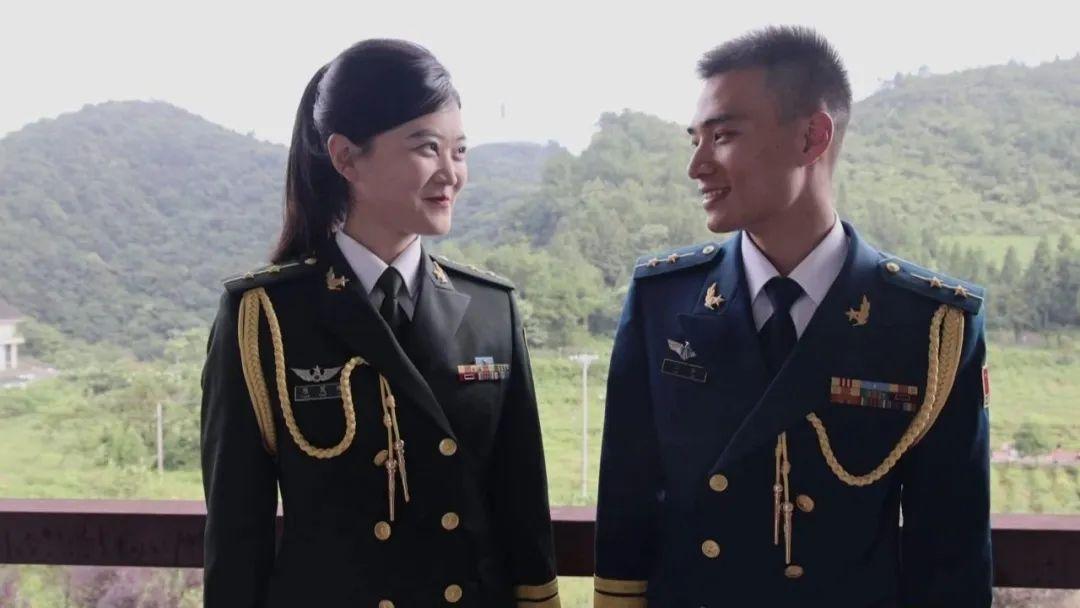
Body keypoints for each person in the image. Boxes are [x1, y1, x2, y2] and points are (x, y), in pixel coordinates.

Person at [593, 26, 991, 607]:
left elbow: (950, 552)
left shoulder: (928, 325)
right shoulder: (664, 300)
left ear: (811, 137)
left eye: (723, 135)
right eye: (695, 140)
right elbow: (627, 509)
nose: (697, 166)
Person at [201, 39, 560, 608]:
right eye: (426, 148)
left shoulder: (491, 307)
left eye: (460, 151)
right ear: (346, 157)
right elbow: (236, 533)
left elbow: (522, 509)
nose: (451, 174)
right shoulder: (265, 316)